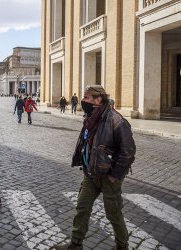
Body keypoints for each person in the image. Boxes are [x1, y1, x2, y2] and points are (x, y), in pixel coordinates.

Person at [53, 85, 136, 250]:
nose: (84, 101)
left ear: (98, 99)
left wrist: (114, 175)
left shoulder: (116, 120)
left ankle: (122, 246)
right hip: (90, 174)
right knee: (82, 208)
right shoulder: (91, 117)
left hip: (108, 176)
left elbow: (128, 152)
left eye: (87, 98)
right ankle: (75, 244)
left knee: (113, 213)